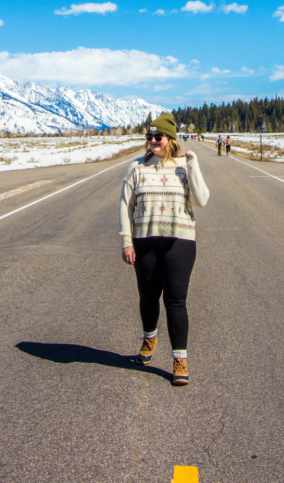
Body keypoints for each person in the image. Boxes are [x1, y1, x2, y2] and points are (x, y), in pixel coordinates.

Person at [119, 112, 209, 386]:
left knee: (176, 301)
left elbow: (201, 200)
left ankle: (179, 359)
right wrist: (126, 240)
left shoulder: (185, 165)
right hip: (145, 241)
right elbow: (126, 205)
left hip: (179, 242)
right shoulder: (136, 168)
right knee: (147, 297)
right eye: (149, 137)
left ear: (170, 139)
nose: (152, 141)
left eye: (158, 137)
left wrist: (192, 166)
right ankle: (149, 337)